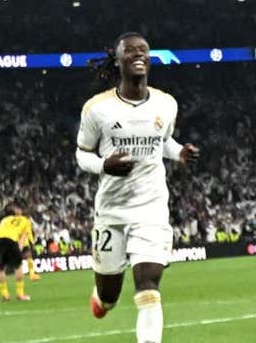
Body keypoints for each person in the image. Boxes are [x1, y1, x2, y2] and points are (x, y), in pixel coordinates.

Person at [75, 33, 200, 343]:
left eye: (143, 50)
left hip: (151, 208)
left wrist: (179, 152)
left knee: (148, 285)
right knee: (110, 296)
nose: (138, 54)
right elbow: (82, 153)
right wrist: (105, 165)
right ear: (119, 61)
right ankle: (102, 299)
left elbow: (163, 141)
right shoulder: (97, 109)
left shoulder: (166, 103)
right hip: (112, 212)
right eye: (130, 51)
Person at [0, 204, 35, 302]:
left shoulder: (5, 220)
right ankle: (20, 294)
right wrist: (18, 250)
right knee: (18, 266)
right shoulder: (25, 220)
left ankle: (4, 295)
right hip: (10, 240)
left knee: (1, 268)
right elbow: (24, 236)